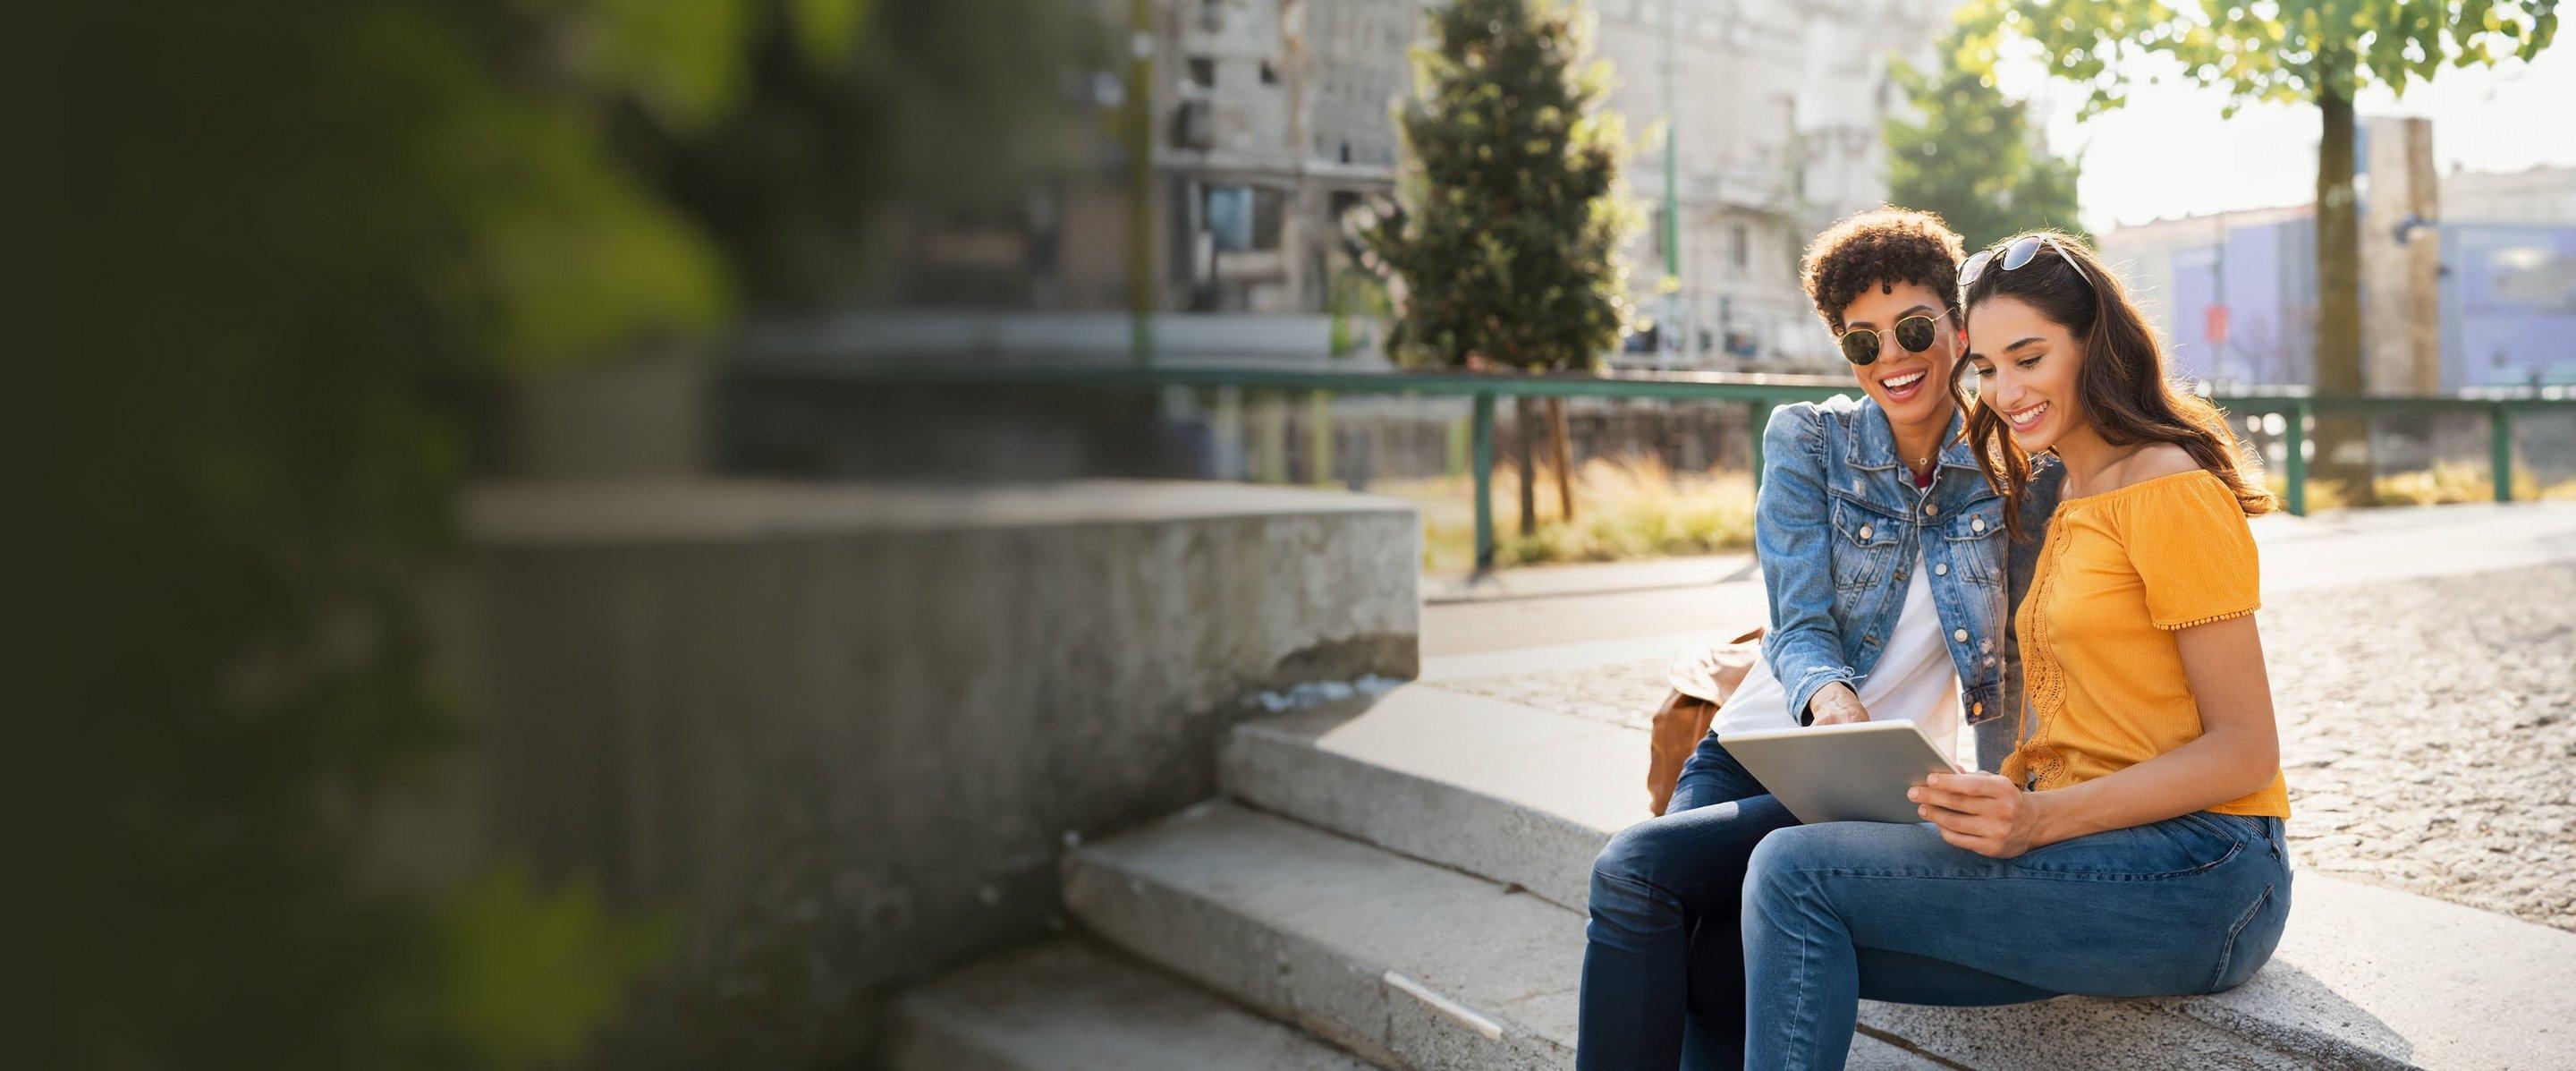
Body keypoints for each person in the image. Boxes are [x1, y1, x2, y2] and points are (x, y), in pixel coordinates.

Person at [1731, 230, 2295, 1068]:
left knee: (1790, 871)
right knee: (1770, 925)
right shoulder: (2068, 493)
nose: (2005, 391)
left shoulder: (2168, 487)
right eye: (1987, 368)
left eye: (2029, 357)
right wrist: (1998, 798)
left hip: (2206, 869)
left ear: (2092, 343)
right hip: (2092, 848)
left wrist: (2038, 818)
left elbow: (2246, 750)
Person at [1578, 208, 2061, 1070]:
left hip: (1870, 782)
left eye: (1913, 328)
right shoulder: (1808, 439)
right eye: (1861, 341)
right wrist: (1833, 700)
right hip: (1754, 750)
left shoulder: (2017, 468)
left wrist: (2009, 794)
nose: (1892, 359)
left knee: (1663, 903)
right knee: (1682, 934)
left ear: (1957, 328)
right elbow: (1797, 625)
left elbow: (2017, 661)